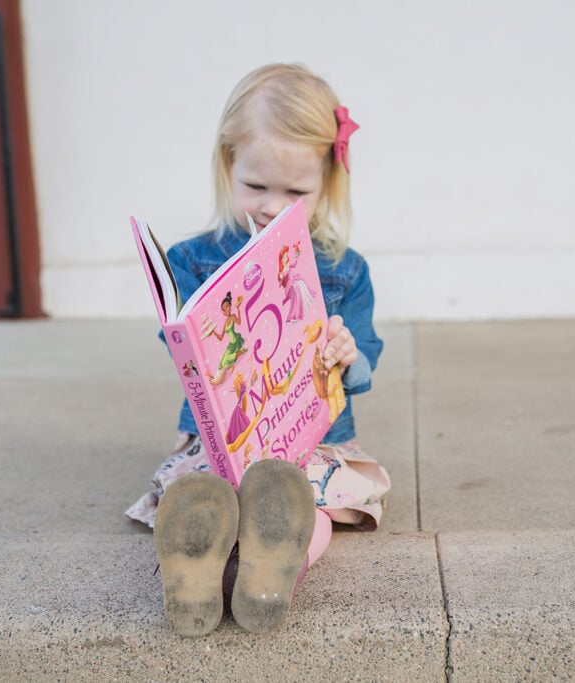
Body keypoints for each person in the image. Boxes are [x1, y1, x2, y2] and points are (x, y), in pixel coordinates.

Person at [125, 63, 390, 636]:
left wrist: (347, 353)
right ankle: (196, 568)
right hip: (221, 440)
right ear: (227, 167)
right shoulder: (192, 259)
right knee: (204, 493)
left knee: (301, 502)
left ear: (328, 181)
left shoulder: (346, 269)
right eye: (255, 186)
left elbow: (366, 355)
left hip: (310, 440)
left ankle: (274, 571)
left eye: (296, 191)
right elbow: (177, 345)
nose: (273, 205)